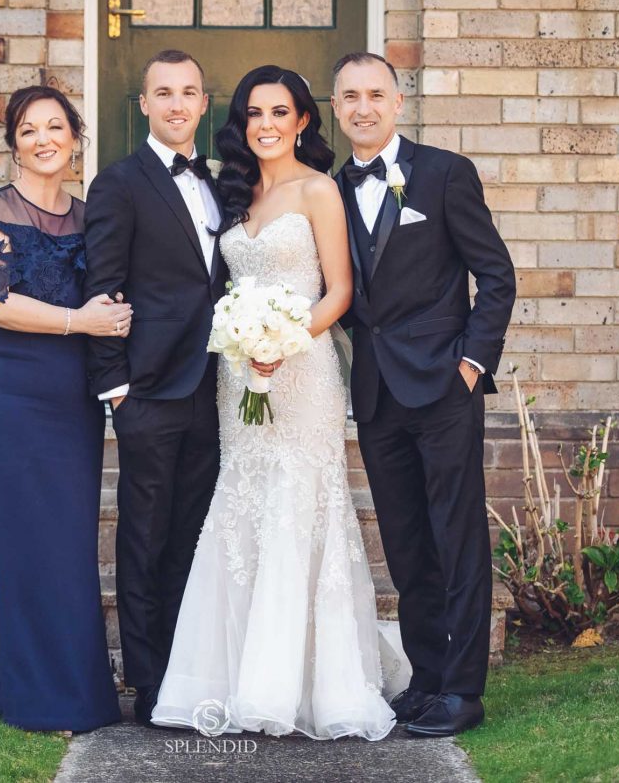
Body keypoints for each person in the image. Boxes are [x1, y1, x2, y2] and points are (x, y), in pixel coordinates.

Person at [150, 65, 402, 741]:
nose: (266, 125)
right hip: (239, 376)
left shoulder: (319, 189)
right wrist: (249, 344)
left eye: (280, 112)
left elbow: (339, 290)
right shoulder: (231, 195)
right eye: (254, 113)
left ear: (302, 121)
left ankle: (304, 683)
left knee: (299, 503)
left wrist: (285, 341)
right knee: (243, 505)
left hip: (303, 371)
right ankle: (230, 676)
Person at [330, 52, 516, 737]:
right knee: (407, 545)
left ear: (398, 102)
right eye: (350, 97)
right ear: (335, 107)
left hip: (443, 386)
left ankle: (463, 690)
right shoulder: (331, 189)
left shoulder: (443, 174)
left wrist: (471, 362)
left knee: (456, 539)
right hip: (377, 393)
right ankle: (427, 678)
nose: (364, 108)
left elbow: (496, 275)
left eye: (375, 94)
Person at [0, 85, 128, 733]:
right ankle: (42, 697)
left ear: (75, 138)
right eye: (28, 130)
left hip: (72, 402)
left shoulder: (89, 218)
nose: (43, 139)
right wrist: (79, 320)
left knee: (68, 546)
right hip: (5, 395)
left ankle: (58, 685)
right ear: (14, 145)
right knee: (27, 548)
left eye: (55, 127)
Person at [83, 50, 229, 726]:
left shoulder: (221, 182)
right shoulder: (119, 183)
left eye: (188, 92)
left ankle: (187, 670)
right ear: (143, 104)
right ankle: (147, 679)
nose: (177, 104)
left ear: (204, 103)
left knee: (192, 535)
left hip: (214, 385)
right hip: (147, 388)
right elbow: (102, 285)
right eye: (163, 92)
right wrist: (115, 388)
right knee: (144, 536)